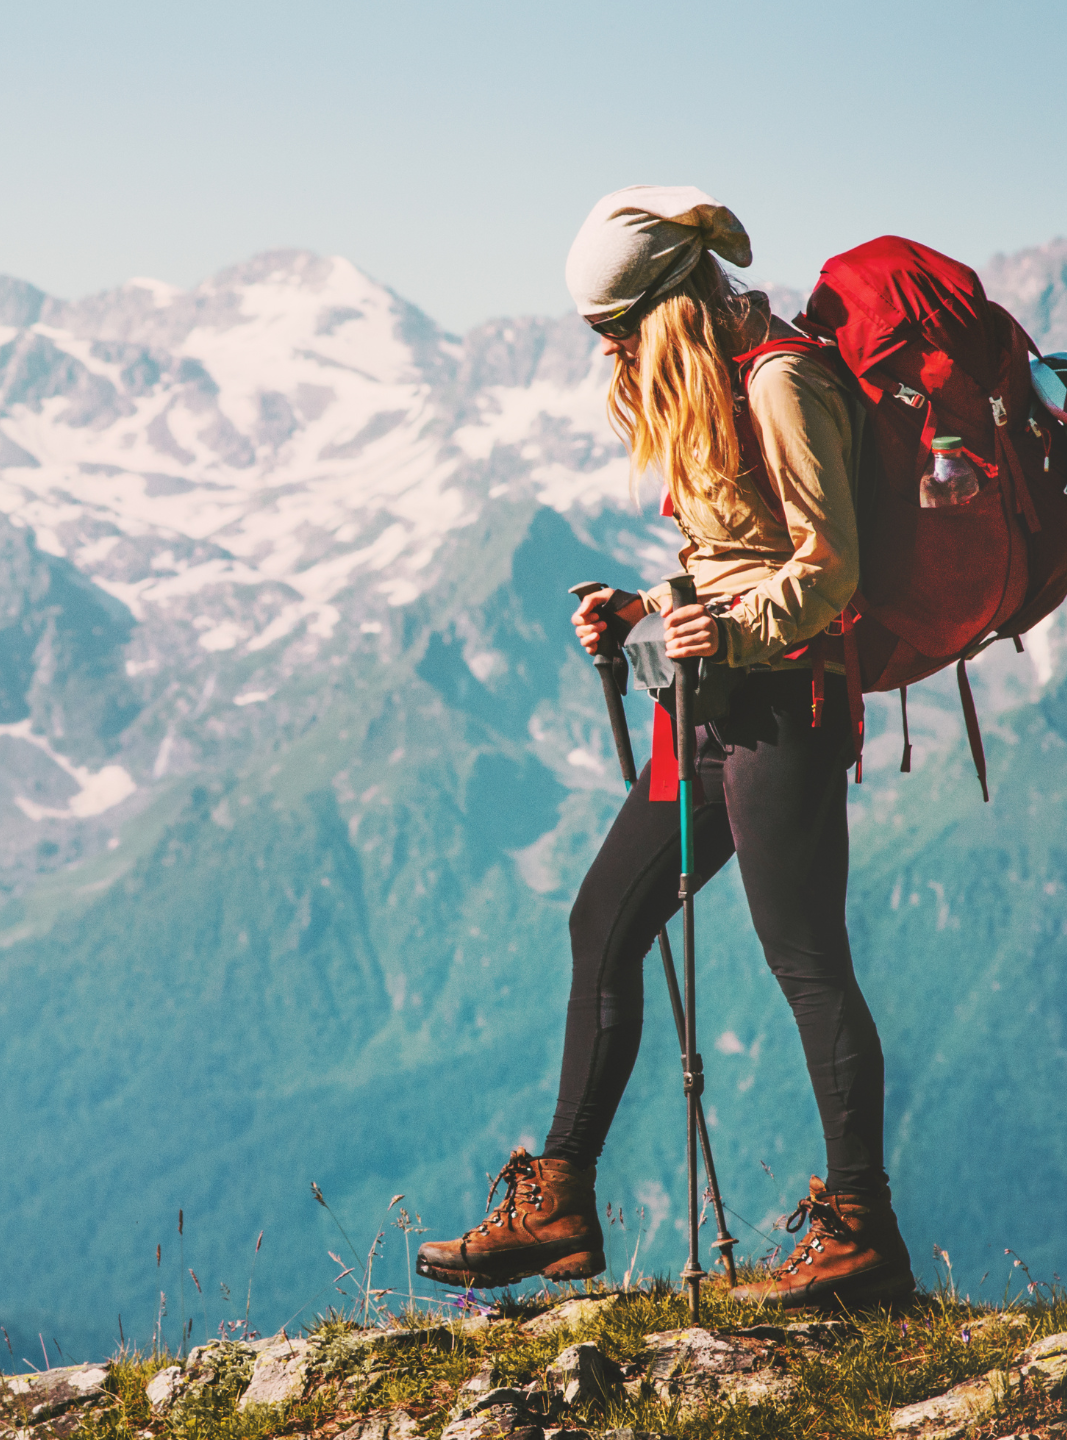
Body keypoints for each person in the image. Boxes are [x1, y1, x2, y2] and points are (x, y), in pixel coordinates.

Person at [413, 185, 912, 1308]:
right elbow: (742, 550)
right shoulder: (717, 382)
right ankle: (560, 1204)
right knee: (604, 919)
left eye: (622, 334)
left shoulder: (781, 380)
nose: (616, 357)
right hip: (710, 699)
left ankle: (863, 1234)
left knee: (806, 960)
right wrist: (646, 606)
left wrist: (725, 628)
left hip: (787, 708)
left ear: (669, 308)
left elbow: (833, 570)